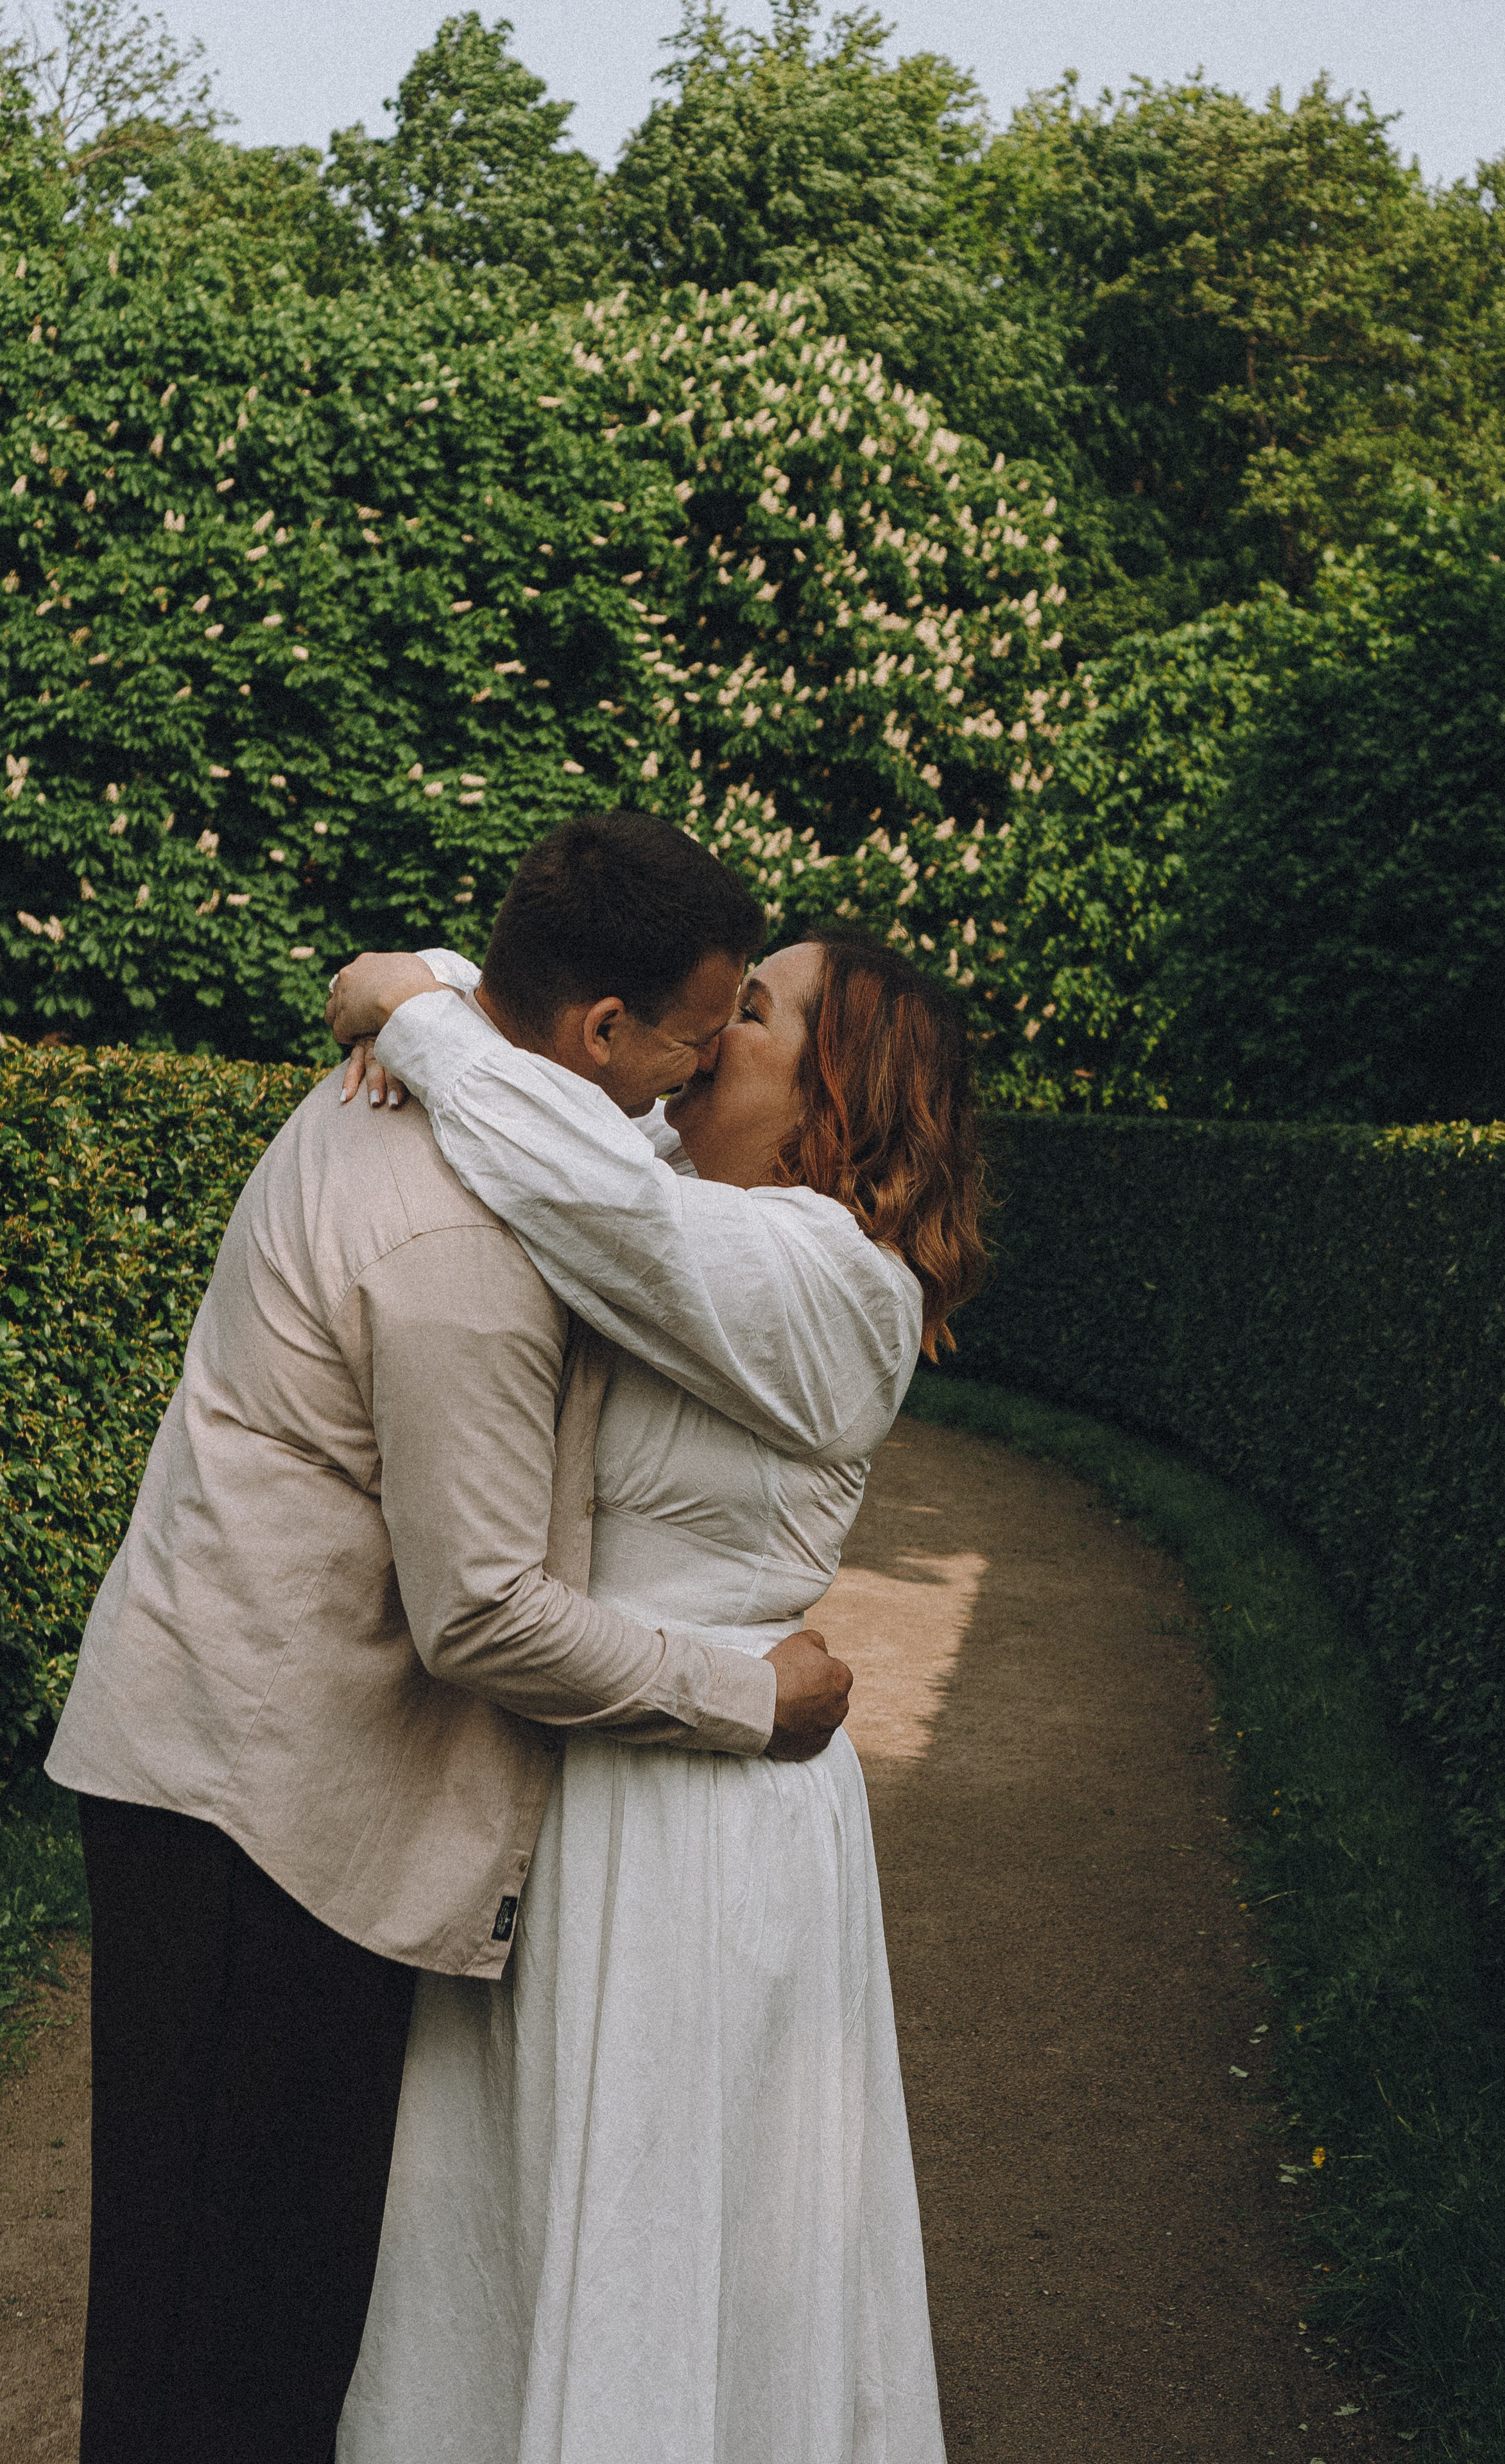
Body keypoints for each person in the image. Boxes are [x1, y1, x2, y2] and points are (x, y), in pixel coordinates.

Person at [45, 811, 854, 2464]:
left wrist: (413, 987)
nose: (696, 1079)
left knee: (220, 2303)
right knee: (231, 2338)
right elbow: (481, 1612)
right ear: (599, 1033)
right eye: (695, 1039)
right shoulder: (465, 1243)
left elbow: (497, 1022)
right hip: (255, 1802)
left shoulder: (466, 1084)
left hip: (244, 1765)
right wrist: (744, 1698)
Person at [323, 909, 985, 2464]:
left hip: (689, 1822)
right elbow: (573, 1102)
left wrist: (421, 1010)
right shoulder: (688, 1206)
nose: (704, 1032)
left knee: (659, 2224)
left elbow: (585, 1191)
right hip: (574, 1757)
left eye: (751, 1014)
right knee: (500, 2211)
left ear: (839, 1096)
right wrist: (462, 987)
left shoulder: (836, 1281)